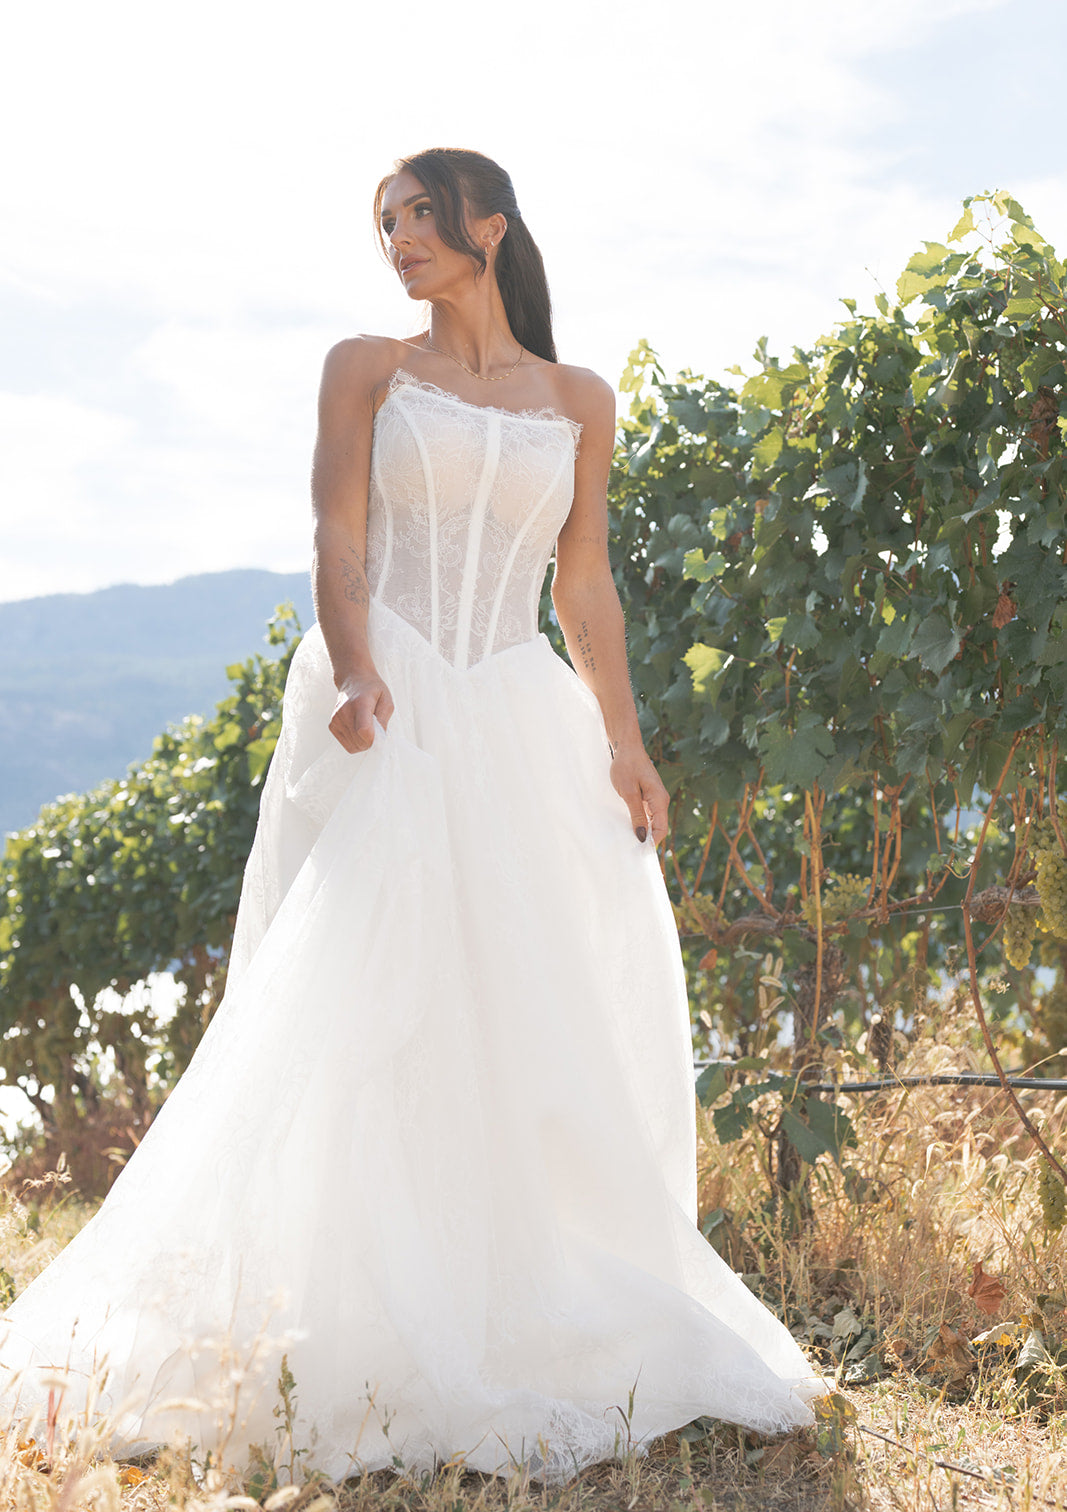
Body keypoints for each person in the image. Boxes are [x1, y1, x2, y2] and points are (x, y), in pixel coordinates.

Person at [0, 148, 825, 1484]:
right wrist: (359, 661)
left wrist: (627, 744)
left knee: (519, 1002)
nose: (396, 241)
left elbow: (586, 588)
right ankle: (343, 1302)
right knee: (363, 991)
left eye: (418, 218)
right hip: (392, 694)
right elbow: (338, 538)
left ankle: (508, 1292)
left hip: (517, 706)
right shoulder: (366, 368)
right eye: (383, 225)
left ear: (488, 227)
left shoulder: (580, 399)